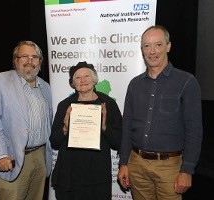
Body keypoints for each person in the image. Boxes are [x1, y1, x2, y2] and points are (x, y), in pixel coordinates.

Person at [117, 25, 203, 200]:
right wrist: (124, 163)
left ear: (168, 46)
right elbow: (126, 127)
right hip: (136, 165)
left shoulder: (186, 82)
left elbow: (194, 130)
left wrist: (187, 169)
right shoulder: (134, 84)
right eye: (146, 46)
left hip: (169, 168)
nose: (152, 51)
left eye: (158, 45)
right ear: (142, 50)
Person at [0, 40, 53, 200]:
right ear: (15, 60)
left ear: (40, 62)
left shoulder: (46, 87)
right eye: (24, 56)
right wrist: (0, 155)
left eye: (34, 57)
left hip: (40, 157)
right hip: (11, 158)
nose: (29, 61)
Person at [50, 61, 122, 200]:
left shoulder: (108, 103)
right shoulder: (65, 105)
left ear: (94, 80)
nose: (82, 80)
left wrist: (104, 128)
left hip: (97, 176)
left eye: (87, 76)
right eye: (77, 77)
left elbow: (118, 141)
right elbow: (54, 141)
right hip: (69, 176)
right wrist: (65, 128)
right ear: (72, 83)